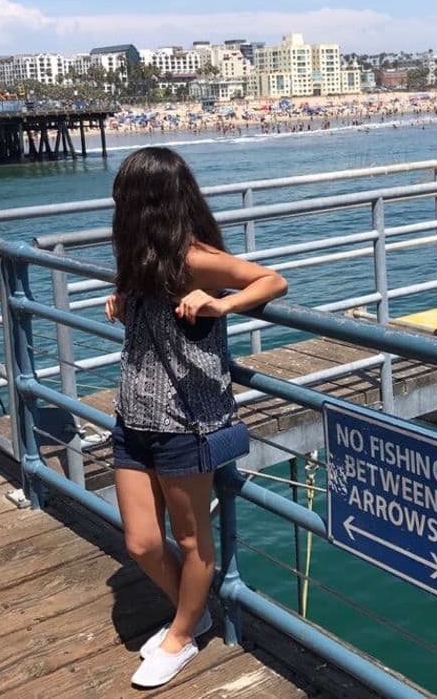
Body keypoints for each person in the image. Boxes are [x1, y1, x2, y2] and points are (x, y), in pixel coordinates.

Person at [104, 147, 287, 688]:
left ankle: (183, 633)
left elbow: (270, 280)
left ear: (147, 204)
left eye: (125, 197)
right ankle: (194, 610)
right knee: (139, 541)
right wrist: (125, 298)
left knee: (190, 540)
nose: (117, 205)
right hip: (134, 417)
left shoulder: (194, 258)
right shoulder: (141, 260)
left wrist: (222, 305)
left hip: (186, 423)